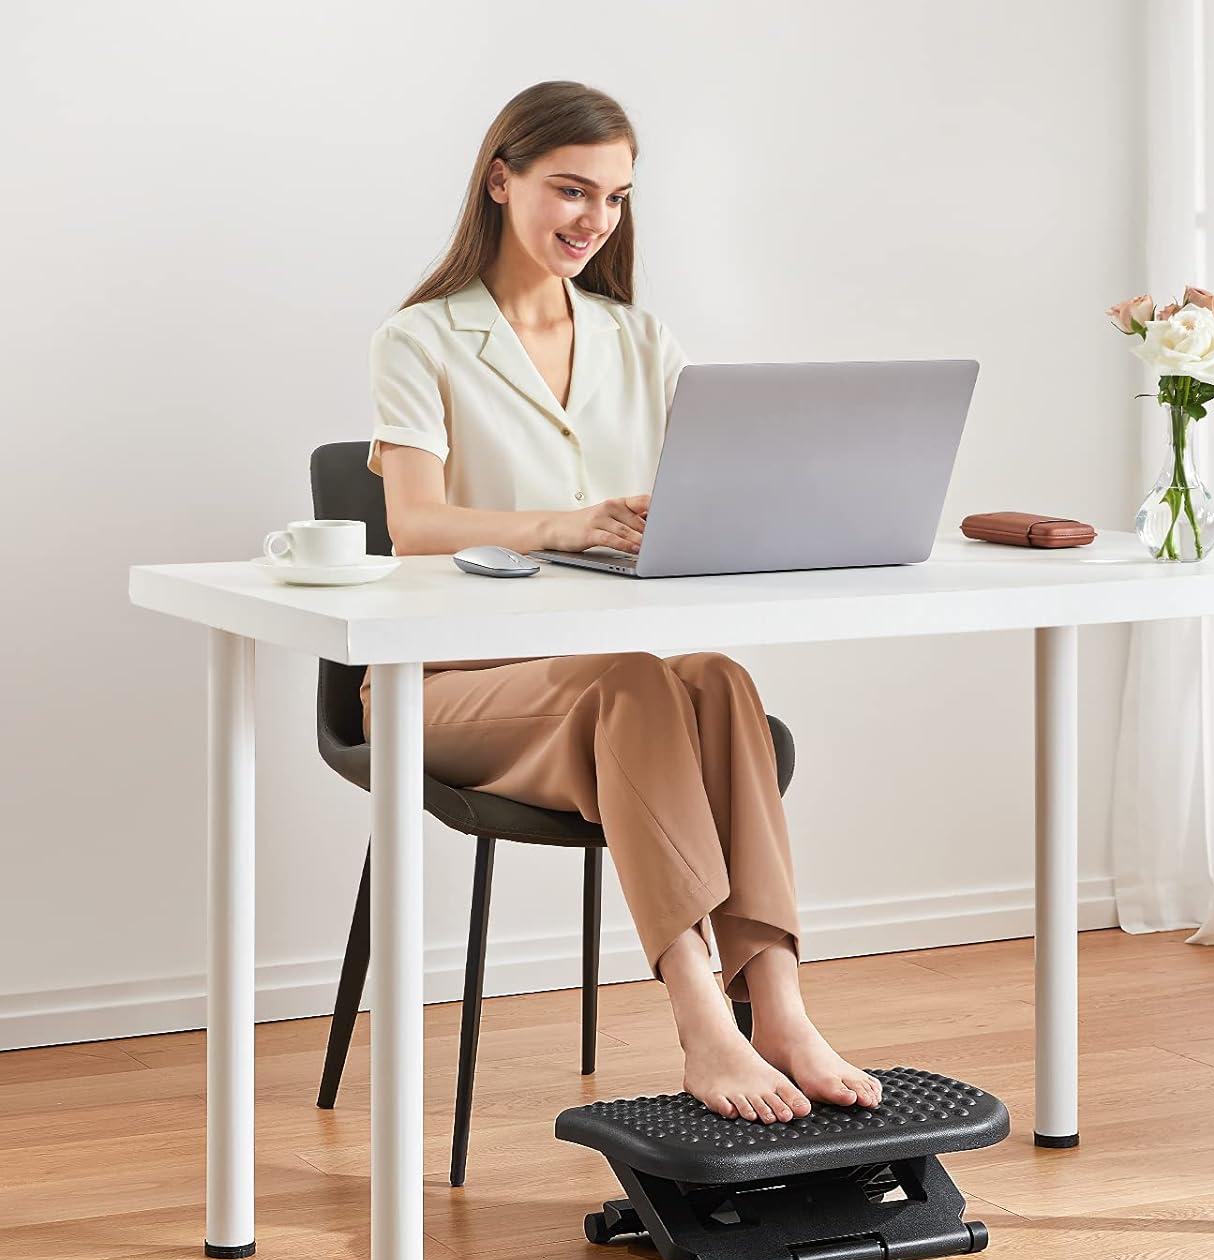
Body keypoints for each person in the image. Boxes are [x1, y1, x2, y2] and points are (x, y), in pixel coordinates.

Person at [359, 80, 881, 1125]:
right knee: (636, 686)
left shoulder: (641, 341)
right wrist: (568, 521)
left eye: (617, 196)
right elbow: (415, 523)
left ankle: (776, 1002)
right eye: (571, 189)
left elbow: (714, 484)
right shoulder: (419, 339)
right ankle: (702, 1016)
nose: (594, 220)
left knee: (716, 678)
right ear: (501, 182)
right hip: (445, 686)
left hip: (596, 684)